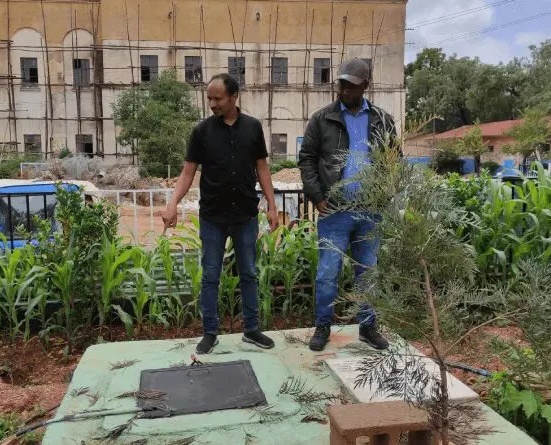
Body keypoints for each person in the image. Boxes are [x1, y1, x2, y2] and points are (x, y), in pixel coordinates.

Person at [163, 73, 279, 354]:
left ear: (234, 97)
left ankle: (251, 330)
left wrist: (272, 206)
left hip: (246, 215)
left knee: (249, 273)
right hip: (213, 216)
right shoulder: (201, 131)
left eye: (218, 98)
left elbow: (261, 168)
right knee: (210, 275)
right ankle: (210, 333)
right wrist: (173, 202)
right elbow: (188, 171)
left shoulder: (252, 128)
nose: (212, 103)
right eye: (210, 98)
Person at [298, 58, 398, 352]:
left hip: (370, 212)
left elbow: (394, 159)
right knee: (327, 272)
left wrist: (385, 195)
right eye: (341, 83)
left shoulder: (382, 120)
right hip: (335, 211)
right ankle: (323, 326)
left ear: (366, 85)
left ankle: (368, 328)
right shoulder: (322, 119)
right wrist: (317, 196)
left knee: (367, 273)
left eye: (351, 85)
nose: (343, 90)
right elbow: (306, 160)